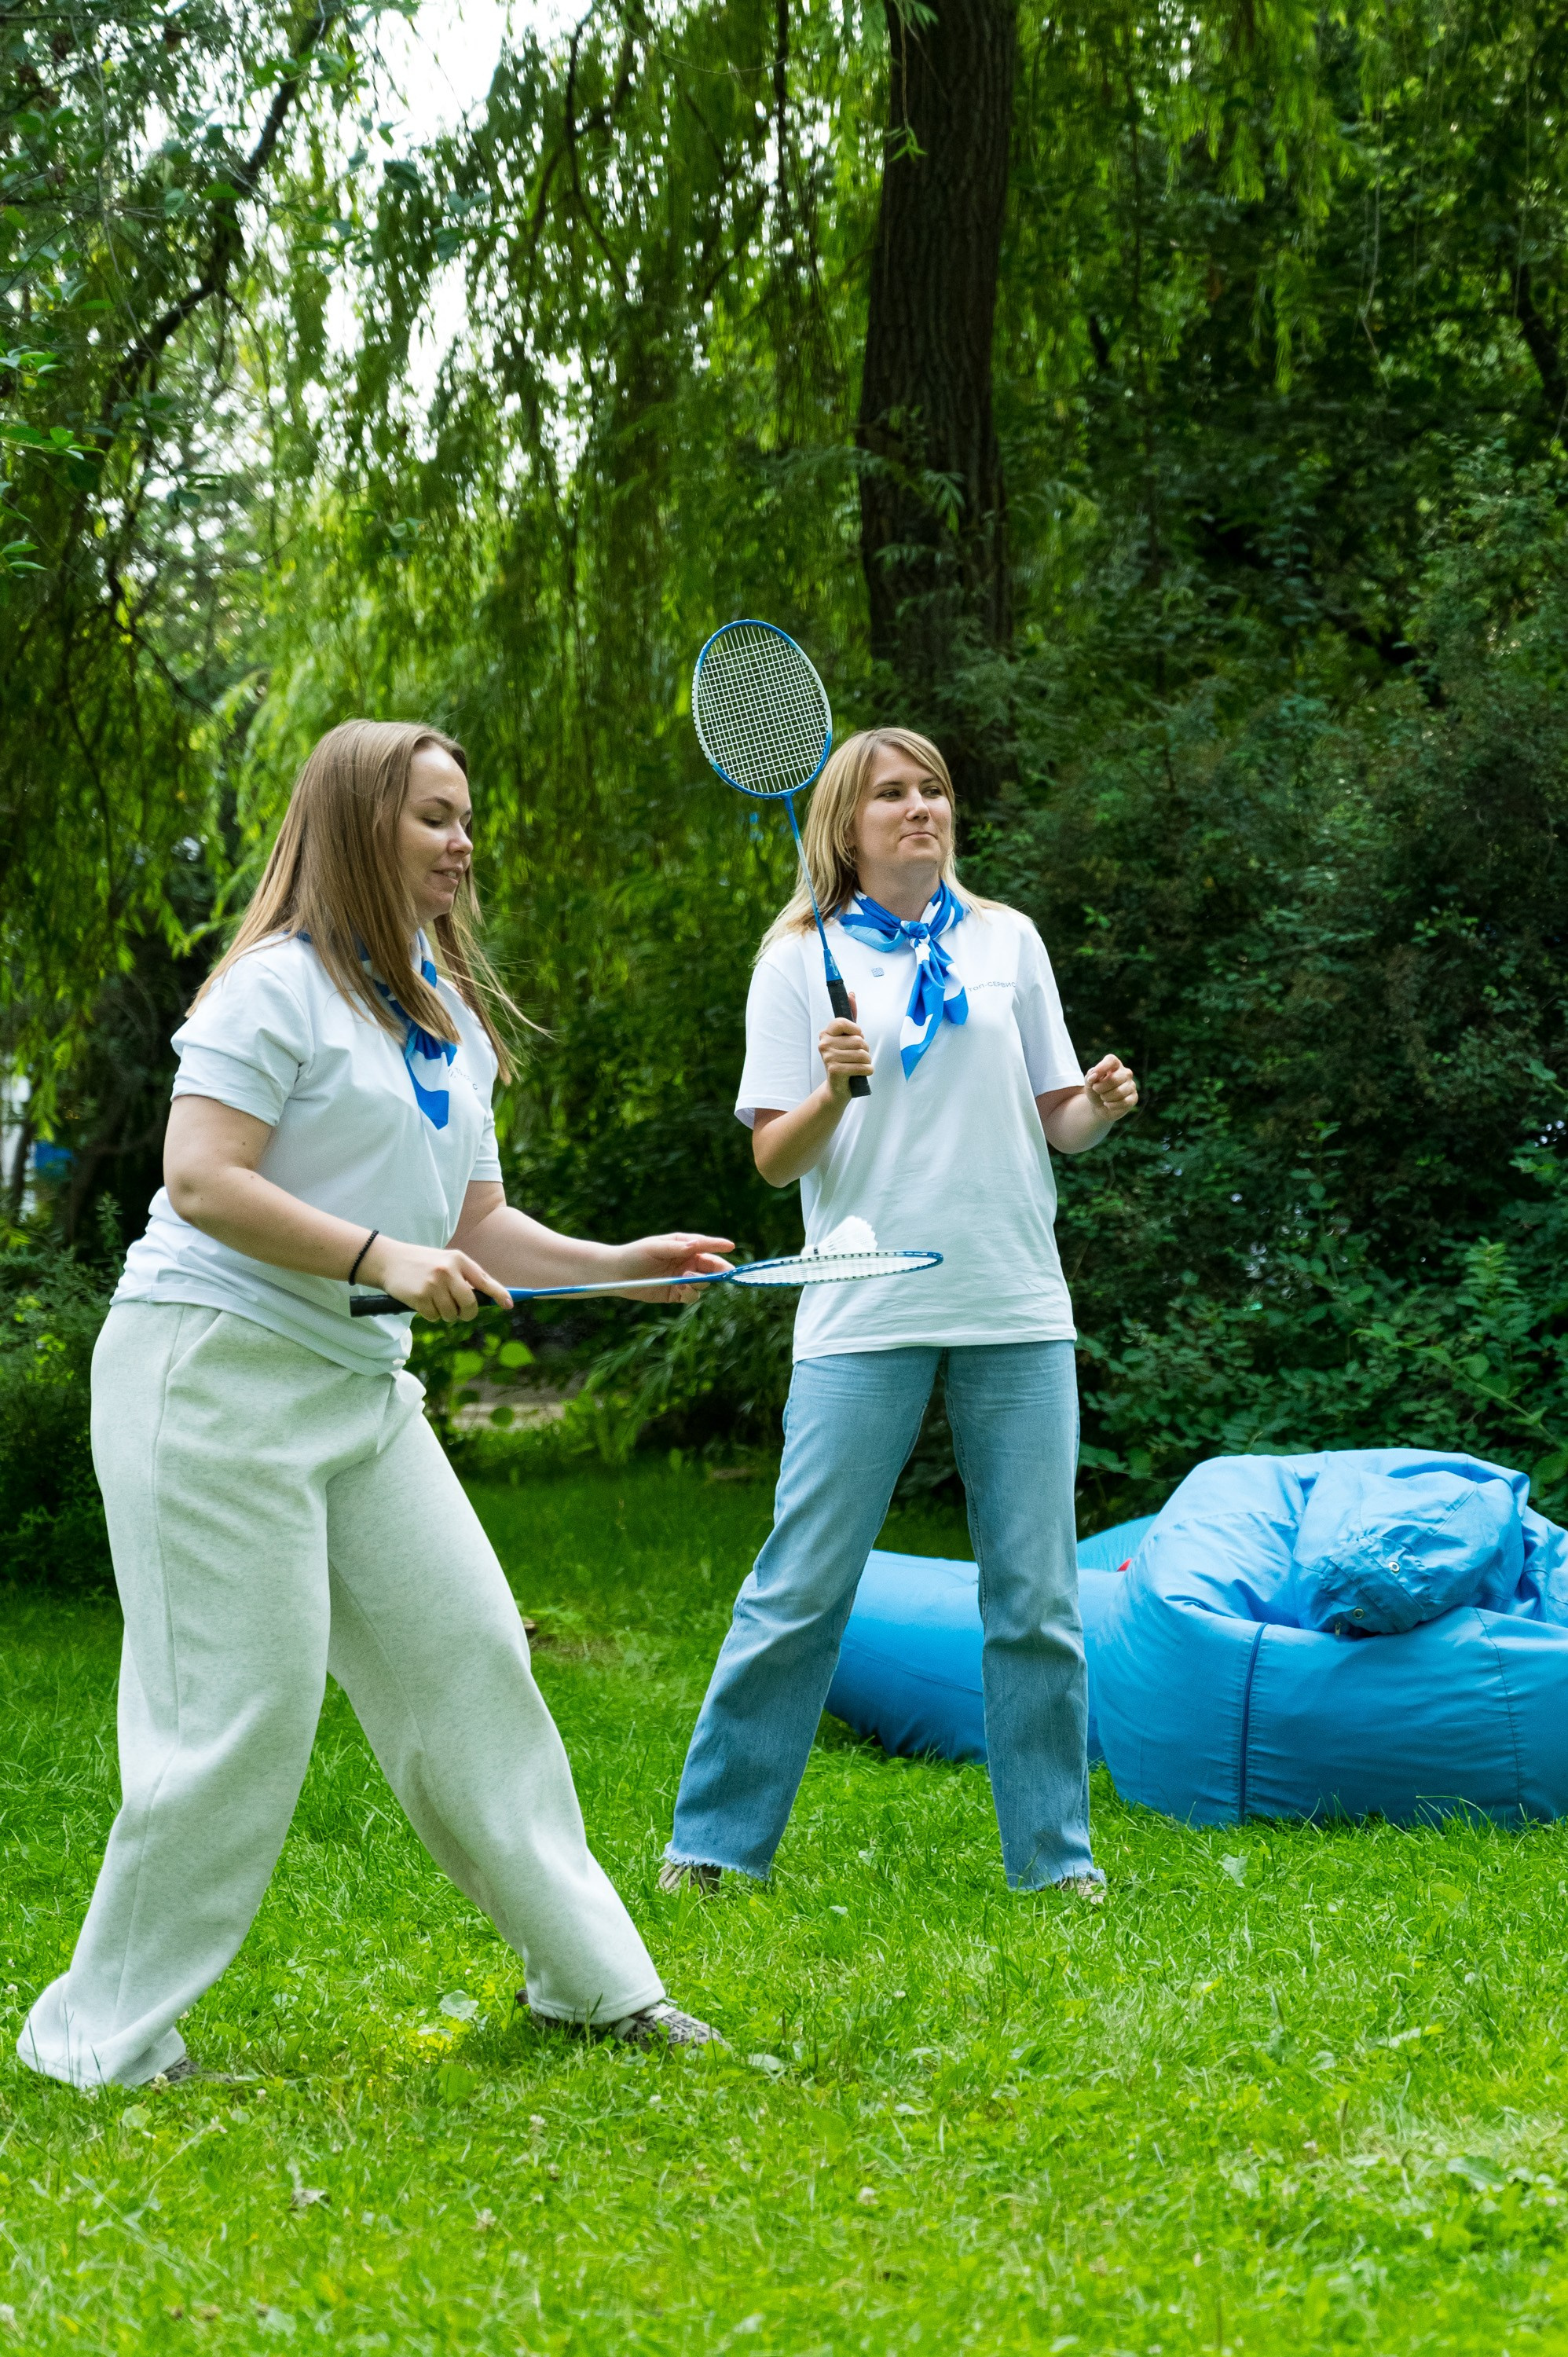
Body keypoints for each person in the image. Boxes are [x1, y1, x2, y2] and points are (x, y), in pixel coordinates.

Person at [19, 718, 731, 2091]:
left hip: (358, 1387)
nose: (463, 843)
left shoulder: (446, 1017)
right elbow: (201, 1178)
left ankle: (593, 1990)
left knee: (474, 1668)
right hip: (209, 1371)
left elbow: (476, 1226)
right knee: (241, 1708)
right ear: (358, 826)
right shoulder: (270, 990)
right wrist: (374, 1258)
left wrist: (616, 1273)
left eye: (467, 820)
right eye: (434, 818)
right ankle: (93, 2041)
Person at [659, 728, 1138, 1900]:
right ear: (845, 826)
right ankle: (713, 1848)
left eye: (934, 791)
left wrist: (1101, 1109)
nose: (920, 808)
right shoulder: (794, 961)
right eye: (891, 794)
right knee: (804, 1582)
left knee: (1035, 1596)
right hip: (862, 1303)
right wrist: (829, 1088)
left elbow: (1055, 1119)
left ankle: (1055, 1864)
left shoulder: (1006, 941)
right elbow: (777, 1162)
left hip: (1015, 1299)